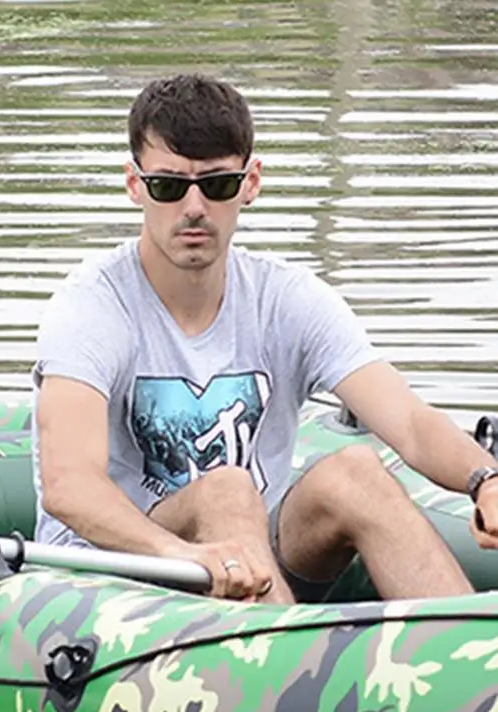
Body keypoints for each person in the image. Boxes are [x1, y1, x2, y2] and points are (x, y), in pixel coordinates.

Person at [31, 73, 498, 603]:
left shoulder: (286, 298)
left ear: (250, 183)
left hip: (251, 557)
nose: (193, 208)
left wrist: (484, 479)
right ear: (135, 185)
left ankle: (472, 665)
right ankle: (287, 671)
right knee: (227, 489)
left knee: (356, 472)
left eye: (217, 184)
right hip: (111, 580)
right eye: (168, 185)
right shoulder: (92, 306)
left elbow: (409, 422)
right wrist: (182, 554)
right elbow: (69, 486)